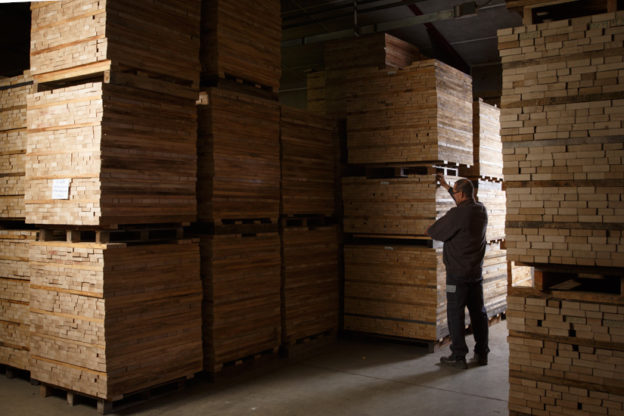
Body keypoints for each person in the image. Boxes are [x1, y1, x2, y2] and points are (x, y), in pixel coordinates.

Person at [426, 174, 489, 369]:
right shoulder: (480, 210)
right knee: (478, 313)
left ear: (460, 194)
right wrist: (446, 186)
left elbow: (434, 231)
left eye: (454, 192)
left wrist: (431, 228)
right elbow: (464, 207)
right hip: (475, 274)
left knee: (455, 313)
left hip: (457, 276)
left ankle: (458, 356)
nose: (454, 194)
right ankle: (482, 353)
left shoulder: (457, 215)